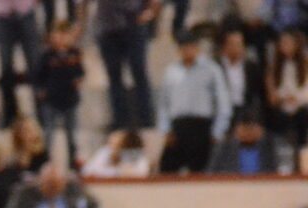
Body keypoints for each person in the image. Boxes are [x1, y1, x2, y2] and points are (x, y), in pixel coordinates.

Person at [158, 29, 232, 173]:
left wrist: (218, 131)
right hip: (178, 126)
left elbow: (223, 102)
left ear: (197, 48)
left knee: (200, 171)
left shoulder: (211, 69)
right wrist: (166, 129)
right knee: (167, 170)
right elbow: (164, 104)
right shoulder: (171, 71)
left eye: (190, 46)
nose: (187, 51)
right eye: (183, 47)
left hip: (201, 127)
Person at [94, 0, 158, 132]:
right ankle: (119, 120)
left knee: (139, 72)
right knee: (114, 77)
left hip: (134, 26)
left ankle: (146, 117)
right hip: (108, 28)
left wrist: (150, 12)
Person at [34, 19, 84, 163]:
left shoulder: (74, 54)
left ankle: (73, 160)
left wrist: (78, 80)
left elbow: (80, 72)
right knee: (49, 132)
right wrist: (41, 90)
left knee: (72, 133)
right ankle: (45, 161)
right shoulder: (47, 55)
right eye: (58, 34)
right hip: (51, 98)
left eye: (65, 35)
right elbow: (38, 75)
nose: (61, 38)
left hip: (70, 98)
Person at [0, 0, 41, 126]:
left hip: (25, 11)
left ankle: (42, 115)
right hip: (1, 14)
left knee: (35, 66)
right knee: (5, 68)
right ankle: (10, 117)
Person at [208, 109, 282, 172]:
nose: (248, 132)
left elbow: (277, 171)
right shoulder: (224, 148)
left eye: (252, 128)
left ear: (261, 130)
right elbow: (210, 172)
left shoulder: (269, 148)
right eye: (245, 128)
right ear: (235, 130)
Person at [82, 129, 150, 177]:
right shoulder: (105, 151)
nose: (113, 146)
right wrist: (118, 171)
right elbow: (88, 171)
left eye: (118, 143)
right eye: (111, 143)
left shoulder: (132, 154)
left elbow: (142, 171)